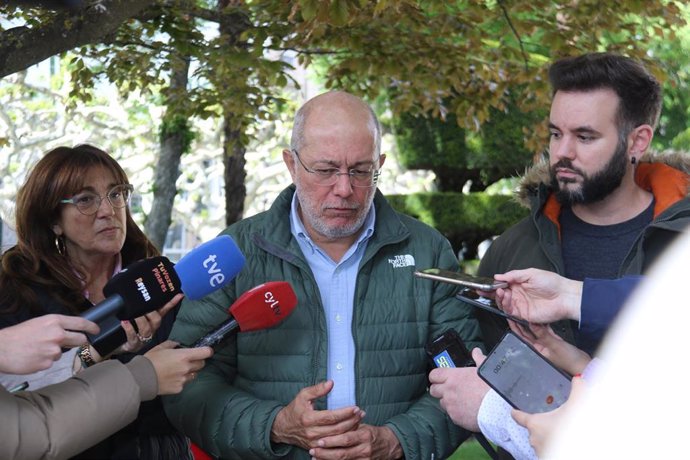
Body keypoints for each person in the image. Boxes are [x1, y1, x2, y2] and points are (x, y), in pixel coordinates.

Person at [163, 90, 483, 459]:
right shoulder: (236, 253)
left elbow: (467, 377)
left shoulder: (427, 251)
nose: (345, 189)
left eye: (362, 171)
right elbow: (186, 385)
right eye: (326, 170)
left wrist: (396, 441)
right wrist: (274, 425)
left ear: (379, 163)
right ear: (291, 164)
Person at [473, 52, 690, 357]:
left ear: (638, 142)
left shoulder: (681, 241)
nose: (562, 152)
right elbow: (485, 359)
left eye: (585, 137)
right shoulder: (514, 249)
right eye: (555, 133)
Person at [0, 144, 189, 459]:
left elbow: (185, 398)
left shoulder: (161, 281)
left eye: (116, 194)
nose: (108, 210)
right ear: (54, 221)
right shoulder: (16, 292)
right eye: (85, 200)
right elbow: (20, 410)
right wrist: (95, 358)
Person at [0, 314, 213, 460]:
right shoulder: (14, 291)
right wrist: (144, 376)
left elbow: (15, 387)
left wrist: (96, 350)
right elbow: (25, 431)